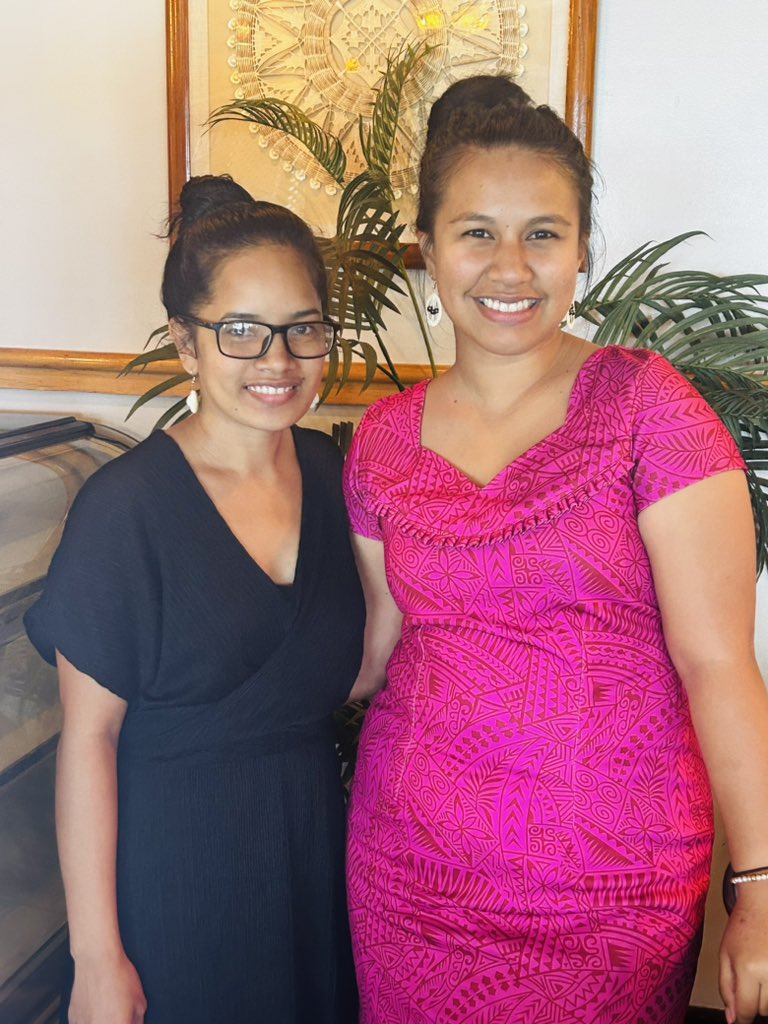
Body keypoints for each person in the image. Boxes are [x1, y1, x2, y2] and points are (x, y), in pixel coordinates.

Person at [343, 77, 768, 1024]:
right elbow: (373, 649)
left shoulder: (648, 408)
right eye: (475, 232)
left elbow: (718, 664)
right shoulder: (380, 439)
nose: (510, 266)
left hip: (610, 889)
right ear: (427, 248)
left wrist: (762, 886)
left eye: (543, 233)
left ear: (581, 250)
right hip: (409, 868)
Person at [25, 175, 364, 1024]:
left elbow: (354, 673)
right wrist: (97, 956)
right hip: (176, 874)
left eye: (302, 329)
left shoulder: (335, 474)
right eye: (241, 332)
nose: (277, 361)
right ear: (187, 343)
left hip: (312, 852)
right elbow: (88, 745)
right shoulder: (126, 510)